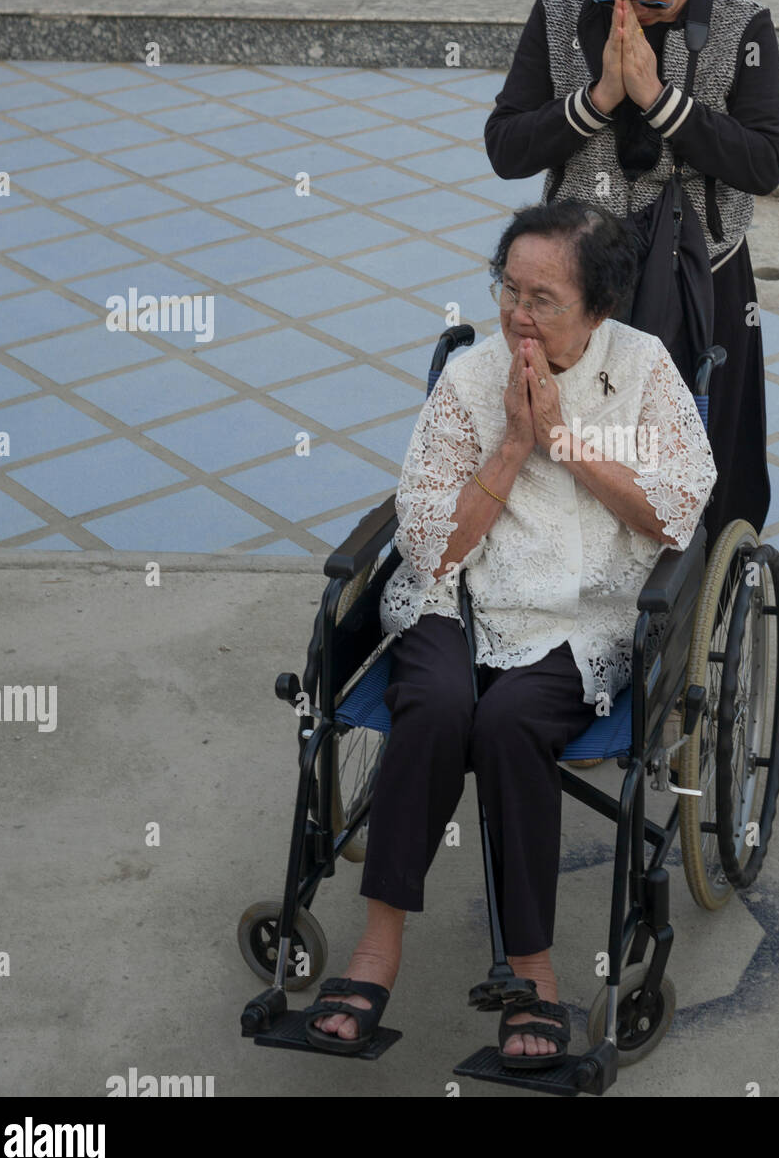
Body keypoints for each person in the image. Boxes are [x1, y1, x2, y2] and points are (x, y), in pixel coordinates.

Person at [302, 200, 716, 1067]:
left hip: (580, 613)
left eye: (543, 297)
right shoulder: (470, 378)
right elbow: (425, 540)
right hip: (456, 596)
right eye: (508, 289)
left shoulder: (642, 371)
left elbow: (677, 512)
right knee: (439, 704)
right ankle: (379, 947)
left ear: (598, 307)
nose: (517, 314)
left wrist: (564, 444)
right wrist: (510, 449)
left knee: (510, 722)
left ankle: (531, 967)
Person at [484, 0, 779, 547]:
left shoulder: (743, 26)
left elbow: (765, 160)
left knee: (695, 448)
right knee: (572, 451)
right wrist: (596, 101)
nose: (630, 14)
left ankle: (696, 583)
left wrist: (659, 101)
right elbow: (506, 148)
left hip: (701, 279)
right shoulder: (557, 12)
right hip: (576, 282)